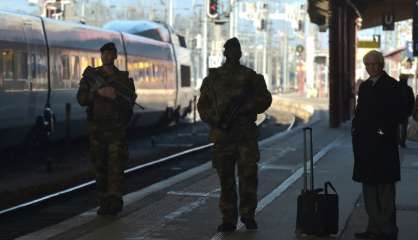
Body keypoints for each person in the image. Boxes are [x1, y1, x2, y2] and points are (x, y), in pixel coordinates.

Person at [197, 37, 272, 232]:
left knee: (248, 177)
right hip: (223, 136)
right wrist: (215, 119)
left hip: (245, 136)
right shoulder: (213, 78)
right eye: (230, 50)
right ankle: (228, 218)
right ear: (225, 53)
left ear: (240, 53)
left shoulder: (251, 78)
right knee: (226, 179)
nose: (233, 53)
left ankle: (248, 215)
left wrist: (249, 106)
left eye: (236, 50)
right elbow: (202, 106)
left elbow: (265, 99)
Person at [77, 42, 136, 215]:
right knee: (100, 169)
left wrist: (117, 99)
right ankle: (104, 202)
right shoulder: (90, 77)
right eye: (105, 53)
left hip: (117, 131)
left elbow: (130, 103)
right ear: (101, 56)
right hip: (97, 131)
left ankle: (115, 202)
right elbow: (81, 99)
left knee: (116, 169)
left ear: (116, 56)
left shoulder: (123, 79)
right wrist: (98, 93)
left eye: (111, 53)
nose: (108, 56)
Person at [352, 50, 401, 240]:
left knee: (385, 189)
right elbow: (360, 113)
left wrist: (381, 132)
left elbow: (394, 115)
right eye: (367, 65)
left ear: (382, 65)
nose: (371, 68)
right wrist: (356, 132)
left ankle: (387, 230)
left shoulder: (392, 86)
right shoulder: (364, 87)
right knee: (369, 188)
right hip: (365, 145)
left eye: (374, 64)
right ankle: (373, 228)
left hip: (383, 145)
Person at [398, 74, 415, 148]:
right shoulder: (409, 89)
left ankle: (397, 141)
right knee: (404, 128)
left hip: (396, 111)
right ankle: (402, 142)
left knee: (396, 127)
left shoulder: (395, 87)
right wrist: (410, 111)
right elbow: (412, 101)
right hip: (405, 111)